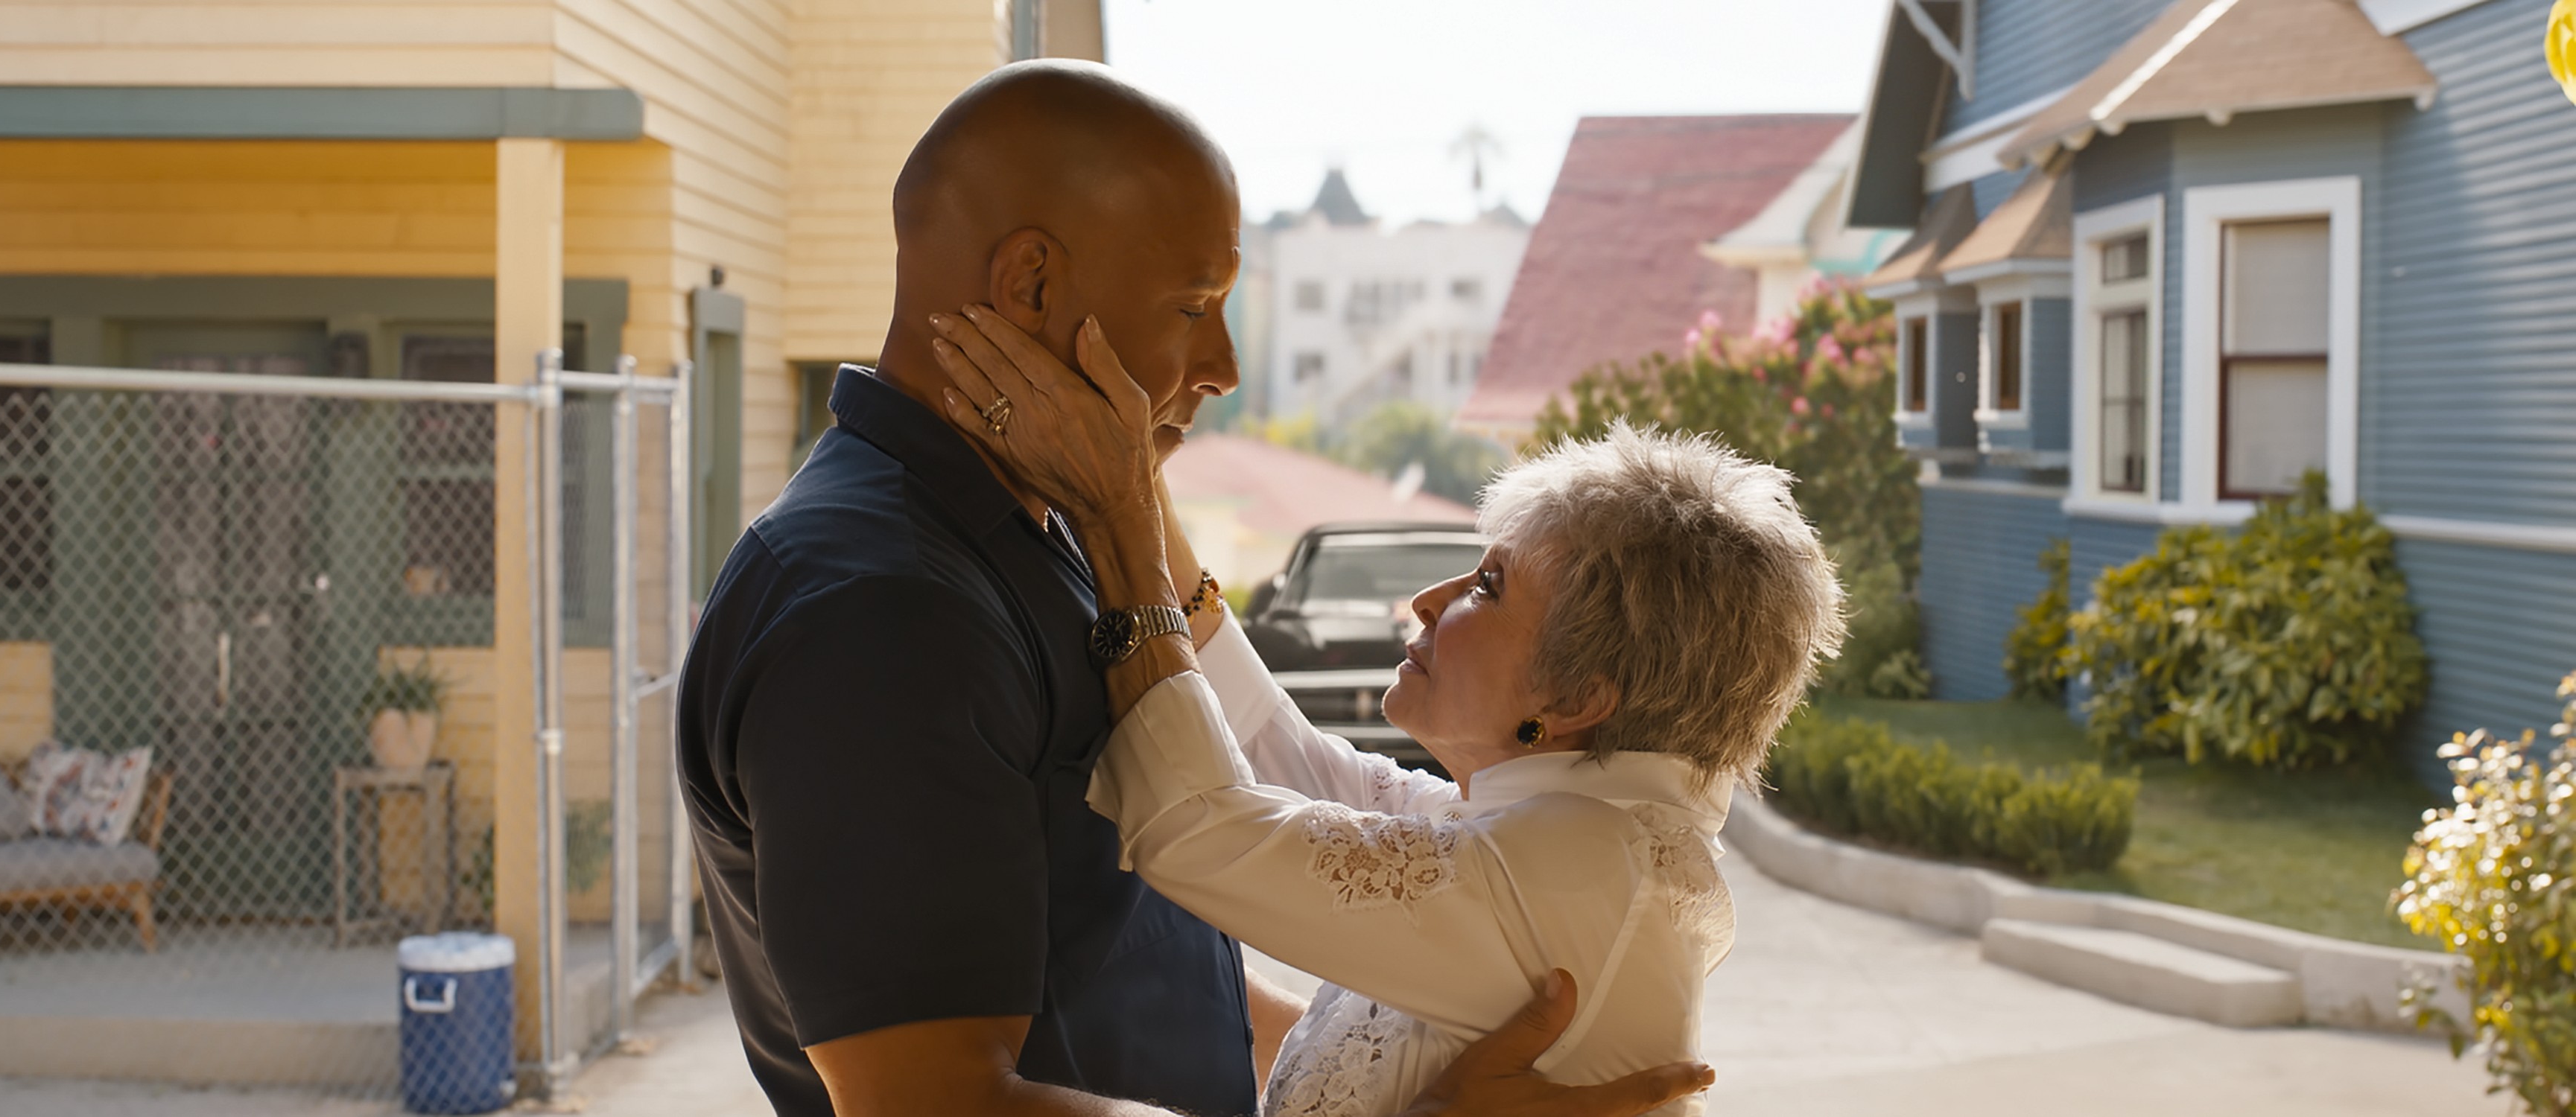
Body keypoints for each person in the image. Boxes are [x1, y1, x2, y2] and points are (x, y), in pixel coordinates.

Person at [675, 59, 1715, 1117]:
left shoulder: (1041, 532)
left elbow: (1141, 957)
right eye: (1192, 306)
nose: (1222, 366)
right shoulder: (880, 612)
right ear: (1030, 285)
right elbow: (933, 1103)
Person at [919, 308, 1847, 1117]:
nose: (1428, 601)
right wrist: (1138, 477)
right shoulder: (1556, 835)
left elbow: (1200, 829)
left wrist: (1115, 511)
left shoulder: (1580, 869)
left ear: (1576, 697)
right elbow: (1279, 752)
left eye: (1487, 586)